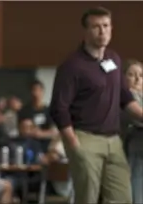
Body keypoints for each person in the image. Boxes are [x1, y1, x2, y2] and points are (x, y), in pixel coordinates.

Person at [50, 7, 143, 204]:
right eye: (96, 27)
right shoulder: (72, 65)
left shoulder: (114, 59)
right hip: (85, 138)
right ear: (86, 31)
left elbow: (126, 99)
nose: (102, 32)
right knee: (88, 198)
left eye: (106, 26)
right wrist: (74, 145)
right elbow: (59, 109)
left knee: (122, 197)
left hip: (113, 140)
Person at [122, 59, 143, 203]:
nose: (137, 79)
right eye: (132, 74)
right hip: (131, 147)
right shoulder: (126, 96)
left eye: (141, 75)